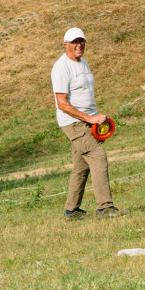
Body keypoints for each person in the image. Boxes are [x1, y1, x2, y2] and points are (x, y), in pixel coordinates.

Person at [51, 27, 120, 219]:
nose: (78, 45)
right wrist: (89, 119)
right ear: (66, 44)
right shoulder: (61, 67)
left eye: (81, 41)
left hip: (89, 121)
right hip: (73, 123)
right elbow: (62, 103)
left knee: (81, 166)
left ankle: (71, 211)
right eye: (74, 42)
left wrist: (97, 124)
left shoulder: (84, 63)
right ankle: (105, 207)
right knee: (98, 156)